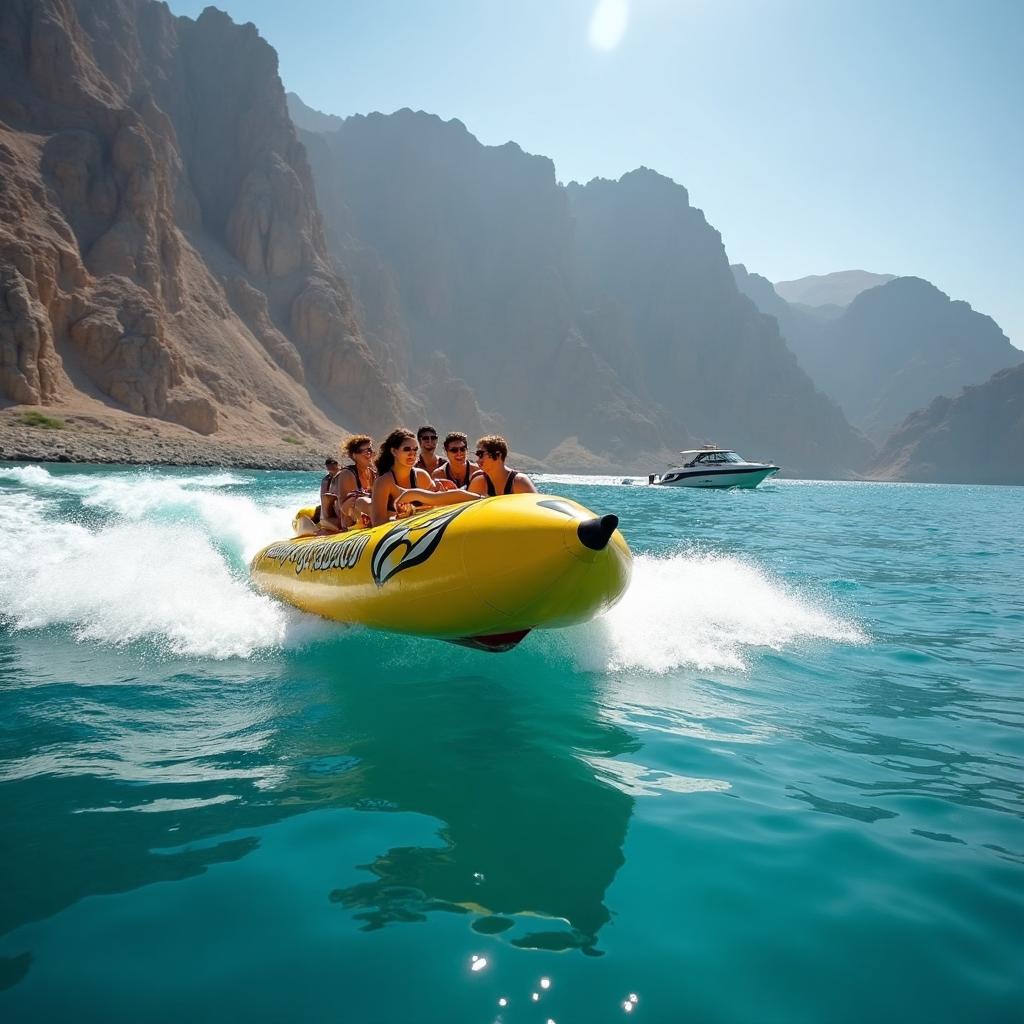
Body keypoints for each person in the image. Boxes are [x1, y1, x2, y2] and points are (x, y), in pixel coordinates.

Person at [371, 427, 478, 526]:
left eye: (415, 449)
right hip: (397, 530)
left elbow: (437, 502)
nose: (412, 453)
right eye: (407, 449)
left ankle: (482, 499)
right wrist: (401, 517)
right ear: (394, 451)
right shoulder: (384, 482)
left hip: (418, 529)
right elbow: (377, 521)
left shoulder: (421, 475)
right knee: (363, 503)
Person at [332, 434, 377, 530]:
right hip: (350, 523)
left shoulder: (373, 473)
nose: (370, 454)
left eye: (371, 450)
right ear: (354, 455)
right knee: (361, 501)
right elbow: (345, 508)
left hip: (369, 515)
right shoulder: (347, 474)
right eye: (366, 451)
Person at [469, 435, 537, 496]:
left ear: (498, 455)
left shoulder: (520, 482)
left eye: (480, 454)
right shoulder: (479, 482)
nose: (477, 460)